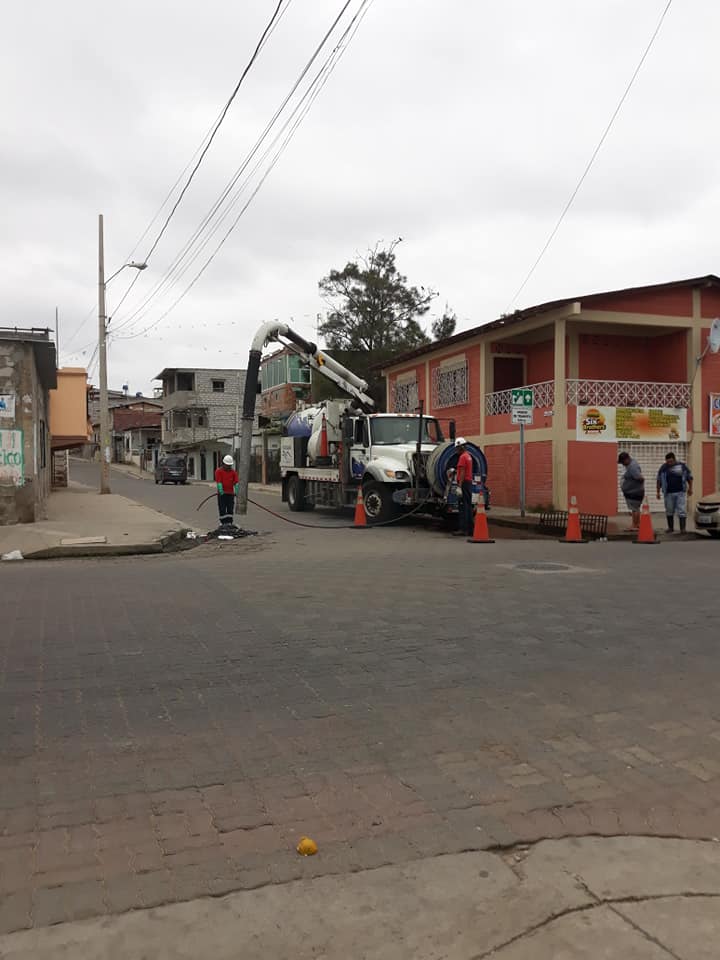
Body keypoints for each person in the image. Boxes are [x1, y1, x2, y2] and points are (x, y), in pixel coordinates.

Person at [656, 452, 693, 533]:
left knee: (681, 510)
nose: (669, 463)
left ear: (675, 459)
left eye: (671, 461)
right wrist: (658, 492)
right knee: (669, 510)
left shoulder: (682, 466)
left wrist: (690, 489)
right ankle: (670, 528)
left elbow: (689, 478)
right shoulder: (663, 468)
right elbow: (659, 480)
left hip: (680, 492)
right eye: (668, 462)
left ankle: (683, 529)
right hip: (668, 493)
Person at [618, 451, 644, 530]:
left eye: (623, 462)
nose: (623, 464)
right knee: (636, 508)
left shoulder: (632, 466)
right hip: (635, 491)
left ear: (627, 459)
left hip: (634, 492)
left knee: (634, 509)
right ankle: (637, 524)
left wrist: (631, 485)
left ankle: (634, 525)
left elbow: (640, 478)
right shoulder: (632, 464)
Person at [453, 437, 474, 537]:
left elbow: (462, 472)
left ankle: (463, 529)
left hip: (464, 483)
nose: (456, 450)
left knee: (463, 506)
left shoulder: (462, 457)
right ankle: (470, 529)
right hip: (468, 483)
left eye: (457, 448)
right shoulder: (468, 456)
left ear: (461, 447)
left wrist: (459, 486)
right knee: (468, 506)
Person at [214, 454, 239, 525]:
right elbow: (219, 482)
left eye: (230, 465)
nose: (228, 467)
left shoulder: (233, 472)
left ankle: (229, 522)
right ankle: (223, 523)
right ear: (223, 464)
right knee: (222, 508)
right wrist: (221, 490)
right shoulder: (218, 471)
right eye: (227, 465)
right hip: (222, 494)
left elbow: (236, 483)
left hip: (230, 494)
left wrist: (236, 491)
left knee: (230, 508)